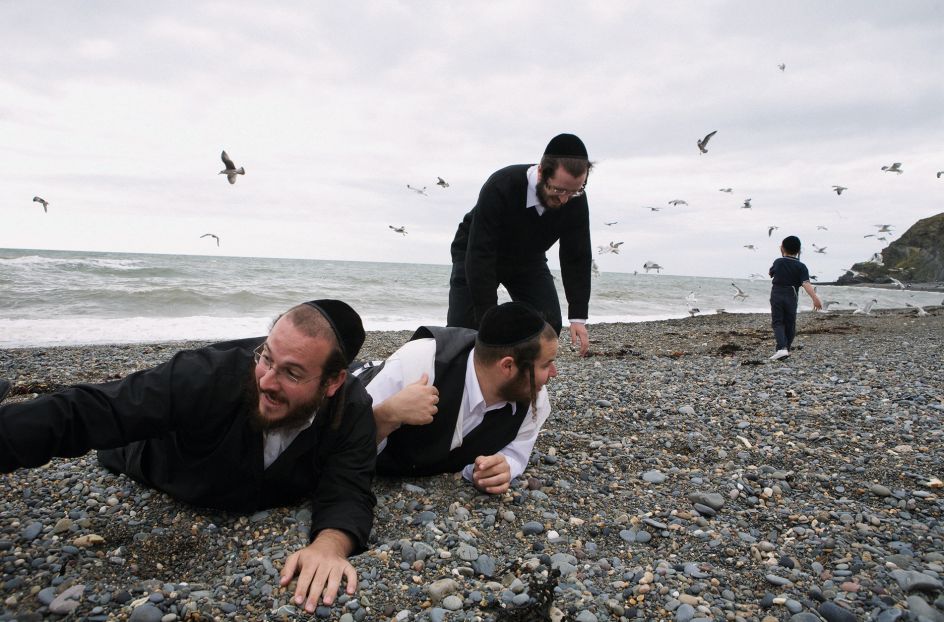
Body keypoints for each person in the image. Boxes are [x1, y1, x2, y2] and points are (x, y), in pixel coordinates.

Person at [0, 300, 376, 613]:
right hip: (148, 459)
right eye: (266, 357)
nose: (266, 380)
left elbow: (349, 486)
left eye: (292, 373)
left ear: (332, 382)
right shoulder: (207, 374)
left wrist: (329, 545)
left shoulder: (352, 409)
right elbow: (96, 410)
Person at [354, 301, 558, 495]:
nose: (554, 373)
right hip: (357, 381)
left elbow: (517, 452)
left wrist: (503, 466)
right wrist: (387, 415)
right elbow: (341, 444)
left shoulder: (534, 396)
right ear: (507, 366)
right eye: (546, 364)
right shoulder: (418, 365)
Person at [448, 133, 594, 356]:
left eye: (574, 191)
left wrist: (578, 316)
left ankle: (516, 370)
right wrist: (488, 318)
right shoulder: (501, 185)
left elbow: (577, 255)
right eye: (559, 190)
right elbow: (481, 254)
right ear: (541, 172)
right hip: (477, 251)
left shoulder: (575, 200)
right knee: (466, 329)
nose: (565, 199)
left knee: (548, 323)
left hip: (528, 258)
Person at [768, 236, 823, 360]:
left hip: (777, 293)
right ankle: (785, 348)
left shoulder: (778, 261)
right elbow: (805, 283)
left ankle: (782, 348)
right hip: (792, 295)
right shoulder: (801, 266)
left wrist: (782, 254)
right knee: (790, 323)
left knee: (778, 322)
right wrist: (815, 297)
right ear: (799, 251)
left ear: (782, 248)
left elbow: (771, 273)